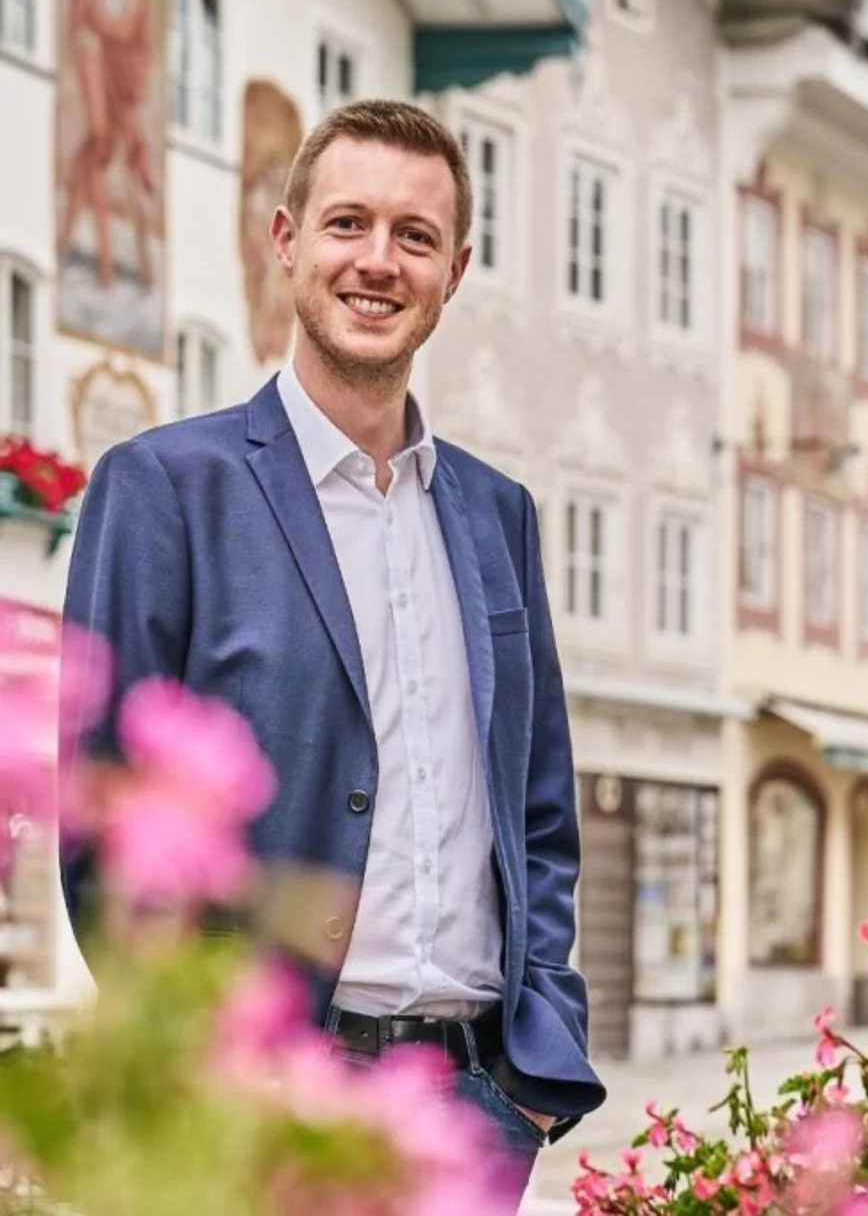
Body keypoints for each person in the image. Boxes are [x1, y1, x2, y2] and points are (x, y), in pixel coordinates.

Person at [63, 99, 603, 1196]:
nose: (377, 260)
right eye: (347, 222)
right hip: (263, 1110)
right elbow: (104, 814)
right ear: (286, 240)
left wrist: (532, 1070)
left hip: (470, 1111)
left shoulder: (499, 514)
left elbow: (540, 811)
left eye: (414, 235)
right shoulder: (167, 488)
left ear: (455, 271)